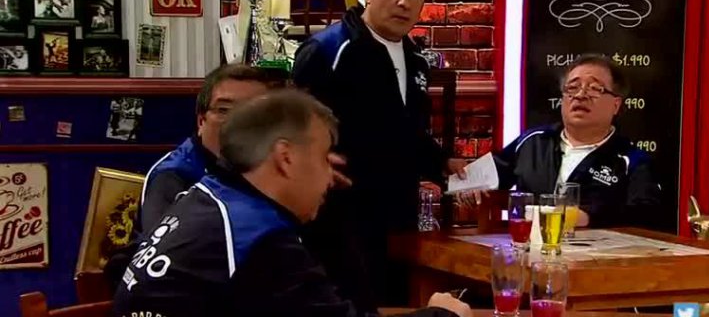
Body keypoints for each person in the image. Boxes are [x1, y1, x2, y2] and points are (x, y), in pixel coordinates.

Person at [112, 90, 472, 317]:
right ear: (285, 157)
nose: (330, 176)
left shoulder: (204, 198)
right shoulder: (258, 239)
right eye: (324, 158)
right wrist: (442, 314)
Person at [291, 0, 468, 307]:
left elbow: (407, 130)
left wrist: (441, 162)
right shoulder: (328, 50)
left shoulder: (416, 60)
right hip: (340, 214)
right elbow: (293, 128)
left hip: (399, 211)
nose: (405, 2)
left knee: (397, 301)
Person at [103, 64, 292, 290]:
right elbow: (175, 263)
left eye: (253, 113)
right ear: (201, 121)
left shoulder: (264, 168)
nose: (238, 123)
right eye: (224, 110)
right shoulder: (174, 177)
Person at [466, 54, 662, 229]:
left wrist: (588, 217)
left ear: (616, 105)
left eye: (595, 89)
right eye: (572, 88)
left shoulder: (631, 160)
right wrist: (468, 182)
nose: (580, 95)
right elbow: (478, 178)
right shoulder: (533, 142)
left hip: (596, 255)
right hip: (529, 249)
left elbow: (647, 214)